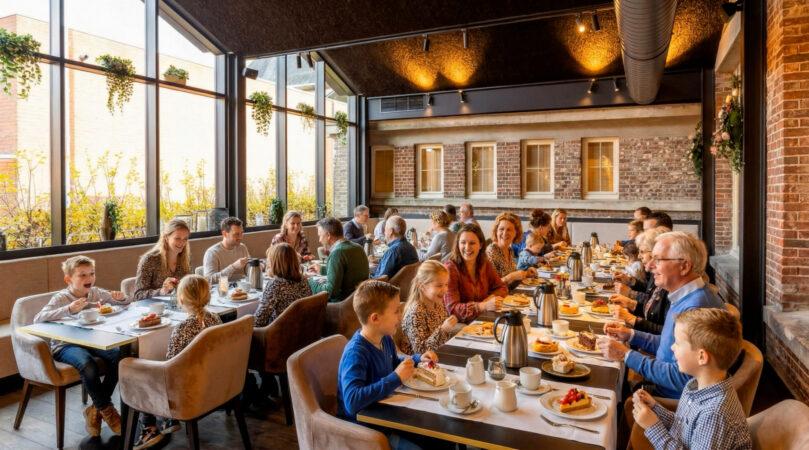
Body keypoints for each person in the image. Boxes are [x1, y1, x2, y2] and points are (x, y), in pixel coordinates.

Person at [598, 231, 724, 399]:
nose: (650, 266)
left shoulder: (696, 308)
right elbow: (668, 344)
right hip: (659, 386)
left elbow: (684, 379)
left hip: (668, 401)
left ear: (684, 266)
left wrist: (625, 354)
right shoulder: (683, 296)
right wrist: (631, 334)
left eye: (658, 260)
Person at [33, 256, 129, 437]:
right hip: (66, 345)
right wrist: (69, 309)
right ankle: (107, 411)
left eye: (91, 273)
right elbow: (38, 318)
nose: (89, 278)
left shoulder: (95, 293)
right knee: (88, 364)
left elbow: (123, 303)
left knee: (120, 356)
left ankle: (95, 409)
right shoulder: (62, 298)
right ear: (68, 279)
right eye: (82, 275)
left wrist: (122, 298)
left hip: (94, 340)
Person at [337, 280, 439, 448]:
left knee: (437, 435)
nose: (400, 315)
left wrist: (416, 359)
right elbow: (352, 401)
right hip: (366, 431)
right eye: (396, 311)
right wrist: (396, 378)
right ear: (375, 318)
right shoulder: (356, 353)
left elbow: (393, 364)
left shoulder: (385, 339)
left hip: (387, 417)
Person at [632, 308, 751, 450]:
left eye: (678, 343)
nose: (672, 347)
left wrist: (653, 427)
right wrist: (655, 408)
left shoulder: (714, 414)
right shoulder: (695, 385)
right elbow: (682, 427)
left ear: (701, 357)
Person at [135, 275, 222, 449]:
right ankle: (166, 419)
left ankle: (152, 425)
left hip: (187, 389)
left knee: (140, 375)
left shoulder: (182, 328)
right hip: (211, 381)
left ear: (181, 299)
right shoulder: (215, 319)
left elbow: (171, 365)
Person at [444, 223, 508, 323]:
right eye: (463, 242)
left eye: (472, 243)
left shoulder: (484, 263)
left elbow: (502, 287)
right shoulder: (450, 268)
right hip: (460, 324)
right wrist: (482, 306)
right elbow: (452, 309)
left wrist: (490, 298)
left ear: (481, 245)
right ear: (458, 244)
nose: (467, 247)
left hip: (483, 318)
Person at [611, 227, 671, 335]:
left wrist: (631, 318)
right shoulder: (658, 276)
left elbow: (665, 336)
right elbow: (651, 305)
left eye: (642, 252)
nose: (639, 256)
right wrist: (630, 302)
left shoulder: (671, 286)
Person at [307, 217, 369, 302]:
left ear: (328, 235)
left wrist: (310, 281)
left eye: (320, 236)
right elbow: (346, 272)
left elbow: (330, 292)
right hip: (360, 300)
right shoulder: (358, 247)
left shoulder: (337, 253)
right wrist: (321, 269)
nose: (319, 240)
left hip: (341, 305)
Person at [401, 260, 457, 354]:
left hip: (440, 353)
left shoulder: (437, 303)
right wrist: (443, 330)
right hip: (420, 361)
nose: (445, 289)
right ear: (422, 286)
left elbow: (443, 339)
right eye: (439, 285)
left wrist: (448, 328)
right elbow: (420, 351)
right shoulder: (416, 312)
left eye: (446, 284)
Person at [254, 243, 313, 327]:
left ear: (275, 263)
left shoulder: (276, 285)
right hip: (303, 329)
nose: (267, 263)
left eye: (269, 260)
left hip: (280, 332)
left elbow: (258, 321)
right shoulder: (303, 280)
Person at [134, 219, 191, 300]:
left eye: (185, 239)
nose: (182, 243)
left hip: (178, 305)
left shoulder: (185, 259)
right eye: (177, 238)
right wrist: (162, 291)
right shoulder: (150, 260)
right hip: (154, 307)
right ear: (166, 238)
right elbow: (138, 295)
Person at [486, 212, 536, 284]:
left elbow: (513, 274)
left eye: (509, 230)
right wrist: (511, 277)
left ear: (516, 233)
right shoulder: (491, 252)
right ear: (496, 231)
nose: (504, 233)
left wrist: (526, 273)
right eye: (501, 229)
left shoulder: (509, 250)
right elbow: (490, 285)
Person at [203, 217, 250, 283]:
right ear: (224, 234)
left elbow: (248, 269)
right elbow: (209, 280)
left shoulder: (242, 247)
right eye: (236, 234)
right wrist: (233, 267)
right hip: (223, 288)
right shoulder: (212, 253)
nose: (240, 237)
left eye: (242, 233)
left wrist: (257, 266)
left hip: (242, 287)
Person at [372, 215, 419, 280]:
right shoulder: (411, 248)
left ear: (391, 231)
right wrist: (379, 261)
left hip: (385, 285)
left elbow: (381, 279)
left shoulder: (393, 251)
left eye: (385, 230)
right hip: (406, 284)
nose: (384, 233)